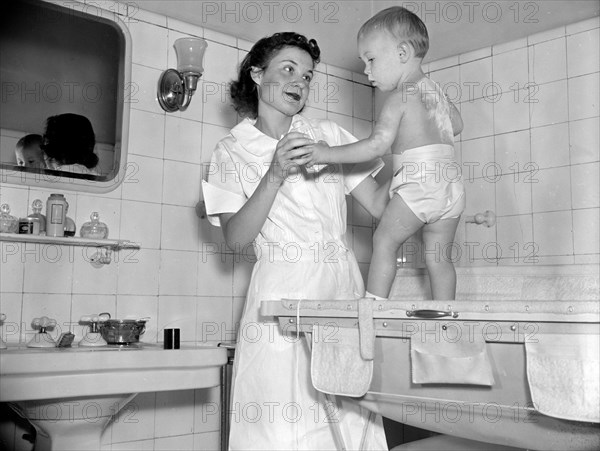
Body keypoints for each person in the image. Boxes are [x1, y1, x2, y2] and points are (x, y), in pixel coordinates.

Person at [202, 32, 389, 450]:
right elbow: (236, 237)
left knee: (351, 421)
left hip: (341, 293)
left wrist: (423, 185)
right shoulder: (231, 151)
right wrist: (274, 174)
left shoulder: (326, 135)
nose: (299, 83)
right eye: (288, 69)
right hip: (280, 301)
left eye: (307, 76)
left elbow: (379, 204)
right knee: (280, 425)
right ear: (256, 73)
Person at [302, 6, 465, 301]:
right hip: (451, 186)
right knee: (439, 258)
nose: (367, 71)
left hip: (420, 180)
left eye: (371, 59)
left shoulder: (399, 97)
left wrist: (326, 154)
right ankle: (446, 319)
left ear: (402, 53)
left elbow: (376, 145)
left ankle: (372, 310)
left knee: (385, 241)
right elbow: (457, 125)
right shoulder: (434, 91)